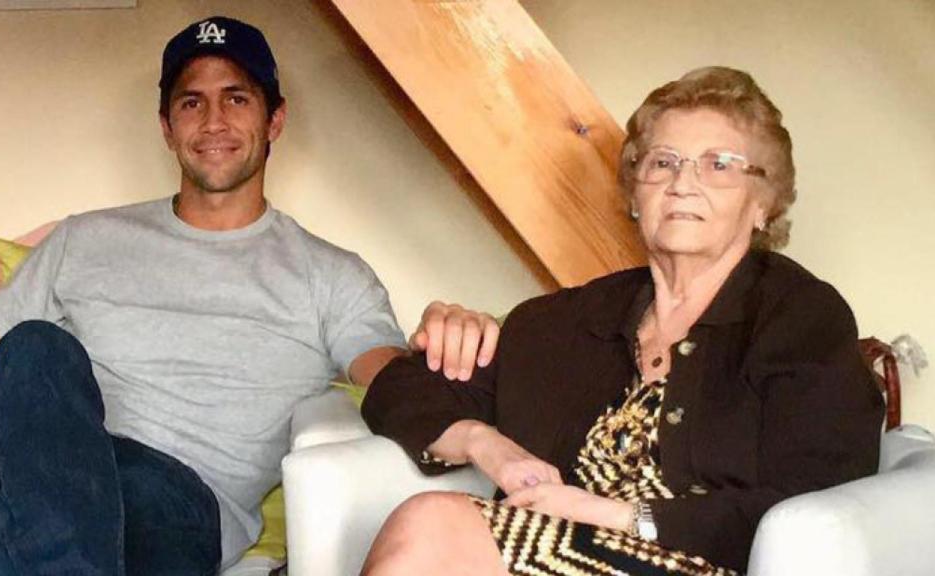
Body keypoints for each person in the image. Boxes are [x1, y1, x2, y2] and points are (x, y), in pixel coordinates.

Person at [0, 16, 496, 575]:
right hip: (41, 488)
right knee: (35, 348)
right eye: (192, 102)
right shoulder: (85, 240)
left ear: (275, 120)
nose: (213, 120)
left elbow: (391, 379)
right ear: (167, 127)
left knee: (34, 543)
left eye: (237, 98)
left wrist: (447, 340)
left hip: (174, 509)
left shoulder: (331, 275)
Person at [360, 66, 885, 576]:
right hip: (547, 554)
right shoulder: (570, 318)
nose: (683, 183)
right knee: (433, 527)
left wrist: (620, 516)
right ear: (635, 195)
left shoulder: (800, 318)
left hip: (703, 562)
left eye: (719, 164)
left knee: (432, 524)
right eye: (663, 163)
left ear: (763, 204)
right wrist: (486, 445)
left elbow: (822, 495)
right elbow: (398, 390)